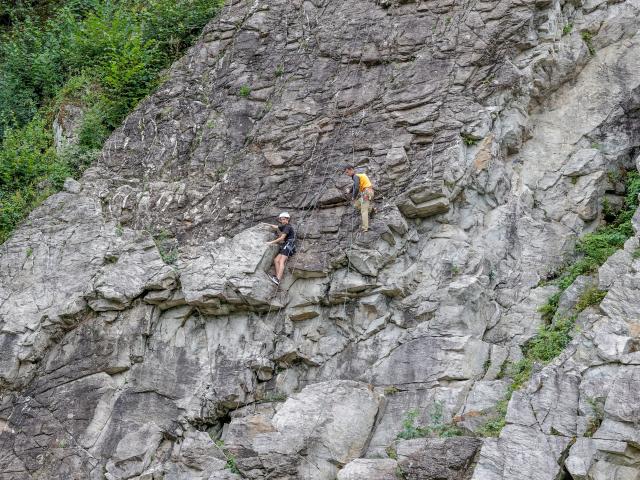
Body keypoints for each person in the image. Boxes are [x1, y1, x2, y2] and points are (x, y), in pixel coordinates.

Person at [264, 212, 296, 285]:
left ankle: (278, 279)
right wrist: (266, 224)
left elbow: (282, 237)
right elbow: (276, 227)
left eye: (284, 219)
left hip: (289, 245)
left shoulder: (288, 227)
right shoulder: (284, 226)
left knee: (281, 261)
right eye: (281, 219)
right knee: (276, 260)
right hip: (286, 244)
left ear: (288, 219)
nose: (282, 221)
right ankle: (277, 277)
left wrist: (271, 242)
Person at [344, 165, 375, 232]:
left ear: (351, 169)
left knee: (363, 210)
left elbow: (357, 187)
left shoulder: (356, 176)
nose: (347, 174)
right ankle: (371, 209)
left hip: (366, 192)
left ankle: (365, 228)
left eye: (347, 172)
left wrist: (353, 197)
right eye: (346, 173)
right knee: (356, 204)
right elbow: (354, 185)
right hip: (368, 193)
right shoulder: (358, 176)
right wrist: (350, 191)